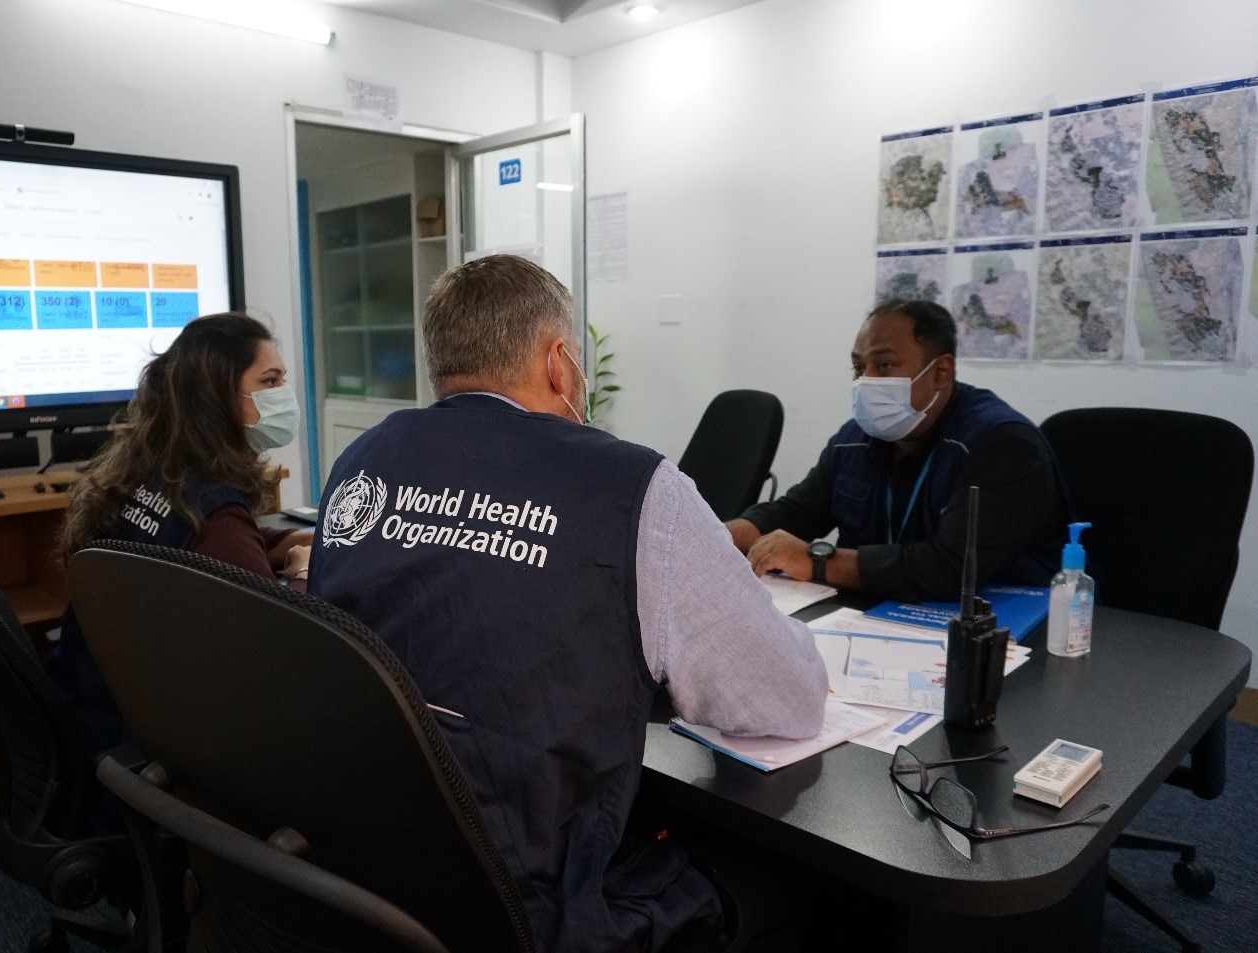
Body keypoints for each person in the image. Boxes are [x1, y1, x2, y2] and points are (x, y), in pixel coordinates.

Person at [309, 255, 829, 953]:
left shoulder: (363, 459)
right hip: (531, 903)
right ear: (560, 363)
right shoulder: (632, 487)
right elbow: (784, 695)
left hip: (371, 868)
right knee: (795, 880)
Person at [49, 312, 313, 757]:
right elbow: (281, 649)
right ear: (217, 394)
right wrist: (303, 572)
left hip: (98, 710)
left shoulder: (148, 471)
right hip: (167, 740)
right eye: (270, 382)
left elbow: (190, 544)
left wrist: (273, 543)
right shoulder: (216, 511)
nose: (284, 395)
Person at [727, 299, 1067, 602]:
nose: (867, 381)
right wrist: (711, 536)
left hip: (1002, 629)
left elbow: (950, 569)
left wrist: (816, 561)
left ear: (941, 372)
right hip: (882, 614)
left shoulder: (1003, 444)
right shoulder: (854, 438)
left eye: (884, 366)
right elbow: (795, 513)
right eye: (859, 368)